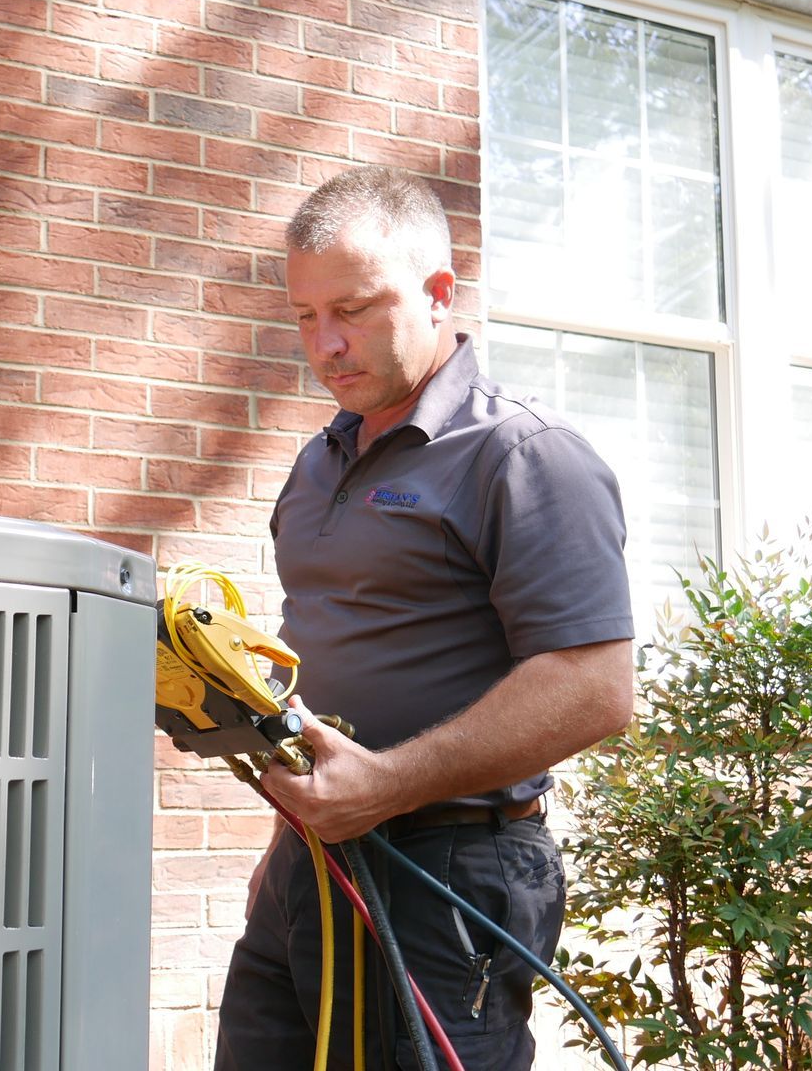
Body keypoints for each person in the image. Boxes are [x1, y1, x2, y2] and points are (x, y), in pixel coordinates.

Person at [212, 166, 635, 1070]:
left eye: (355, 309)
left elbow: (596, 689)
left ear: (441, 294)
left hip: (450, 877)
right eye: (304, 316)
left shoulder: (524, 456)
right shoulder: (317, 463)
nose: (326, 343)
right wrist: (291, 848)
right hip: (310, 865)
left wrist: (390, 784)